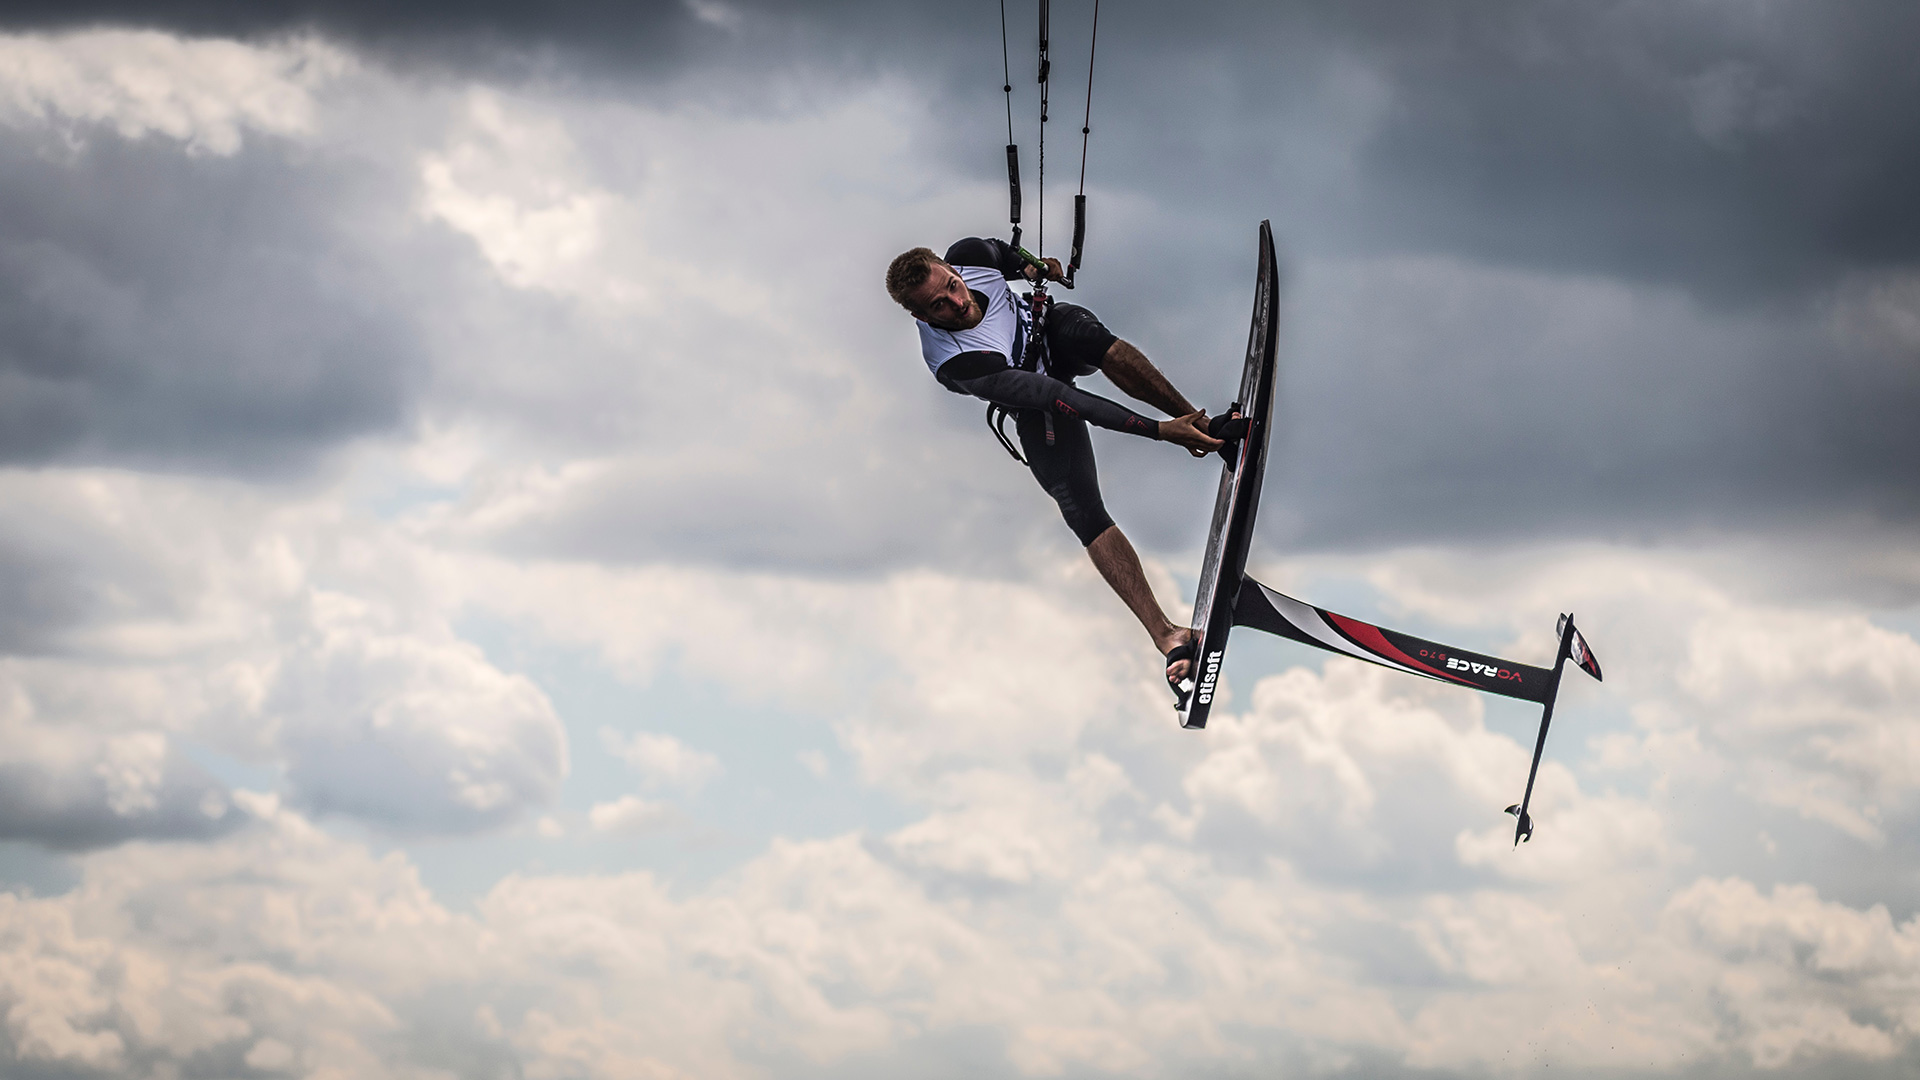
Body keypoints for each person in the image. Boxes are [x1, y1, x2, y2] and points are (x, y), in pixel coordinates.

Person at [885, 237, 1231, 692]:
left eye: (953, 285)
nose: (958, 301)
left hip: (1054, 334)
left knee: (1085, 333)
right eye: (941, 305)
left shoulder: (970, 256)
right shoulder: (956, 363)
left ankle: (1205, 426)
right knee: (1079, 509)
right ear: (922, 316)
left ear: (953, 268)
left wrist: (1030, 268)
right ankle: (1167, 636)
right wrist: (1158, 431)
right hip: (1038, 399)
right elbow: (1057, 396)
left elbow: (1006, 255)